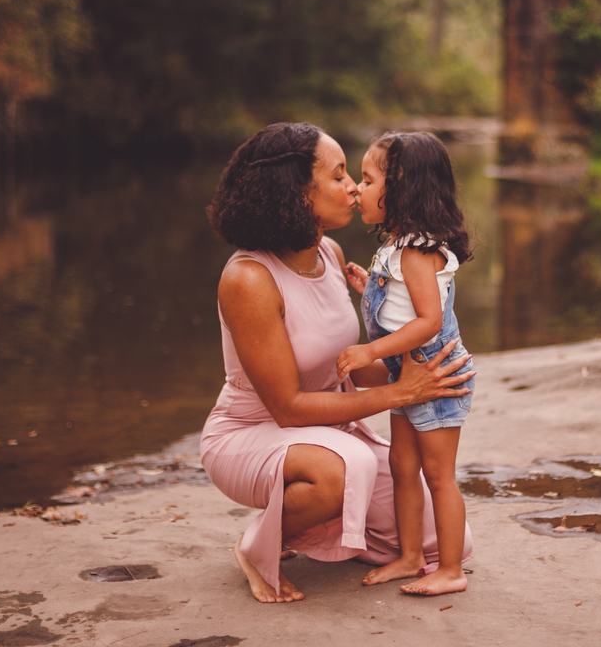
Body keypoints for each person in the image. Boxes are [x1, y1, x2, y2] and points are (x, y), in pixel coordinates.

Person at [200, 122, 474, 604]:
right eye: (339, 175)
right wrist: (399, 394)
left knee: (444, 542)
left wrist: (423, 374)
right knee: (346, 469)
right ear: (297, 193)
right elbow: (287, 409)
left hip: (331, 430)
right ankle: (261, 542)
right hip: (253, 433)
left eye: (357, 176)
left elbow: (349, 367)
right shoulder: (248, 279)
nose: (352, 187)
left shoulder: (329, 252)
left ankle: (320, 521)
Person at [336, 131, 475, 596]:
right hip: (407, 375)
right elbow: (406, 307)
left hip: (433, 377)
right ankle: (411, 555)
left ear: (401, 190)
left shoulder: (417, 250)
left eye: (367, 179)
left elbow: (431, 321)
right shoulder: (396, 247)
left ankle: (451, 569)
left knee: (438, 475)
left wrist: (370, 350)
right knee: (401, 466)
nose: (357, 189)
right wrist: (368, 289)